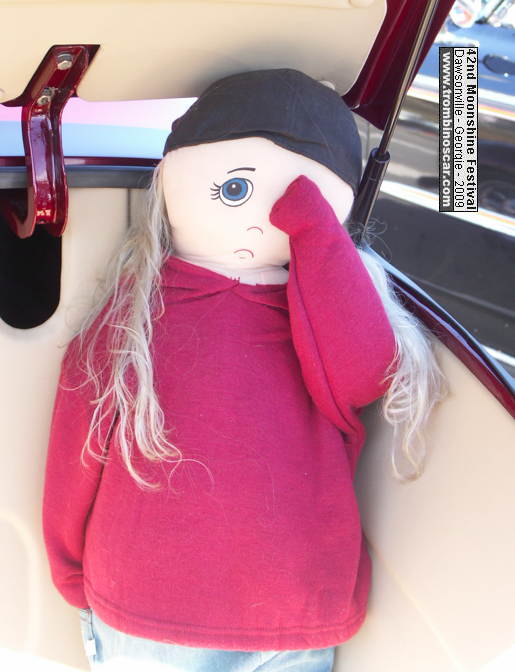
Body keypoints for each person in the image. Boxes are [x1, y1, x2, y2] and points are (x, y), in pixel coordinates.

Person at [42, 69, 447, 671]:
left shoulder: (320, 308)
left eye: (300, 205)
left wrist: (314, 234)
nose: (262, 221)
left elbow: (365, 377)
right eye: (234, 189)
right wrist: (72, 571)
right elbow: (78, 448)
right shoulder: (134, 316)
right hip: (152, 613)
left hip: (295, 612)